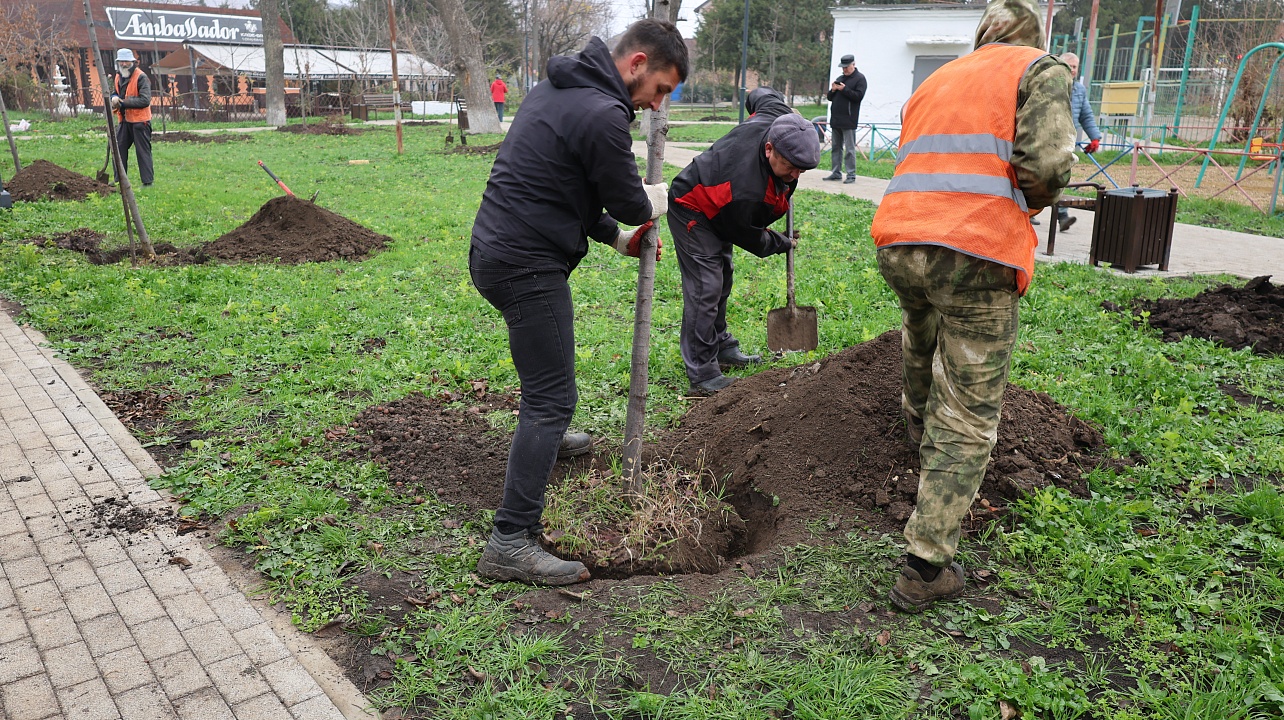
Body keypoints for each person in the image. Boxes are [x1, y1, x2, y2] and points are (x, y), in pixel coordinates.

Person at [869, 0, 1075, 613]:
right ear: (1032, 34)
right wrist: (1030, 203)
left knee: (921, 326)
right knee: (966, 409)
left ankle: (916, 428)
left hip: (900, 239)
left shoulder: (940, 77)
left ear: (983, 34)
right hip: (975, 249)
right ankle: (925, 565)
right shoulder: (1039, 69)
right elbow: (1046, 166)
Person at [469, 19, 687, 586]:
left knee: (546, 389)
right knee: (552, 396)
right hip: (525, 264)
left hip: (497, 250)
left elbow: (575, 187)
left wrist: (616, 238)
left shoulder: (560, 89)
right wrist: (662, 197)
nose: (657, 104)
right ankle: (509, 542)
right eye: (660, 89)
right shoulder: (601, 111)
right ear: (637, 63)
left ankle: (544, 441)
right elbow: (631, 200)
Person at [668, 88, 820, 395]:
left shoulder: (779, 118)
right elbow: (749, 236)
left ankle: (721, 345)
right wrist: (781, 242)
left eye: (801, 169)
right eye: (789, 167)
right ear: (769, 149)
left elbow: (761, 95)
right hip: (694, 208)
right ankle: (703, 374)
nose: (794, 175)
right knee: (706, 287)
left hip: (721, 204)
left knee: (723, 278)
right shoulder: (746, 190)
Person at [1055, 52, 1103, 232]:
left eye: (1075, 66)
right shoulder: (1051, 85)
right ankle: (1033, 213)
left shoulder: (1079, 90)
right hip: (1049, 139)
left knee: (1061, 176)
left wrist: (1095, 137)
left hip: (1068, 141)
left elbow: (1086, 115)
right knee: (1044, 175)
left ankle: (1062, 216)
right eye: (1069, 66)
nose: (1072, 70)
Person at [111, 49, 153, 187]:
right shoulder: (118, 76)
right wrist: (114, 97)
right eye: (121, 61)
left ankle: (147, 182)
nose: (123, 64)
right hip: (124, 120)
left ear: (133, 62)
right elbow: (115, 92)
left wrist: (123, 102)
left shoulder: (141, 77)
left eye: (126, 61)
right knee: (118, 149)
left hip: (140, 121)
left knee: (142, 151)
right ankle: (119, 180)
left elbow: (145, 100)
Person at [823, 54, 866, 185]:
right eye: (843, 67)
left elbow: (858, 96)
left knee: (849, 149)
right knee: (836, 148)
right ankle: (836, 173)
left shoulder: (860, 79)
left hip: (849, 119)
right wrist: (833, 90)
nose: (844, 70)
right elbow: (830, 97)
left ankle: (851, 175)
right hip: (836, 119)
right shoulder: (840, 79)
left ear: (853, 64)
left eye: (847, 67)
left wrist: (844, 89)